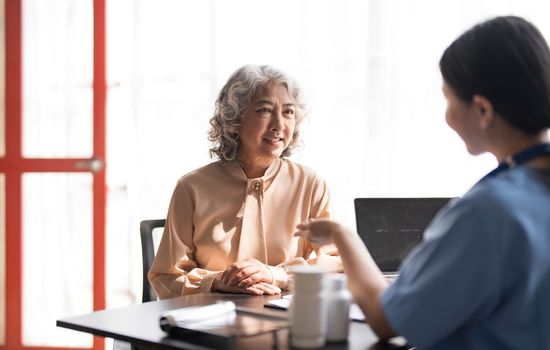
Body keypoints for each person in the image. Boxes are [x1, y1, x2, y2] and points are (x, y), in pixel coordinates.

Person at [295, 16, 550, 349]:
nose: (446, 116)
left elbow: (388, 319)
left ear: (483, 110)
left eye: (447, 99)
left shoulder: (488, 212)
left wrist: (342, 236)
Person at [149, 65, 340, 298]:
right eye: (264, 110)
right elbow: (166, 278)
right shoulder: (191, 187)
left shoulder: (310, 184)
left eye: (288, 112)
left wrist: (275, 275)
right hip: (210, 321)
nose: (279, 124)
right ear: (234, 120)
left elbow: (336, 263)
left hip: (285, 322)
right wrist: (217, 281)